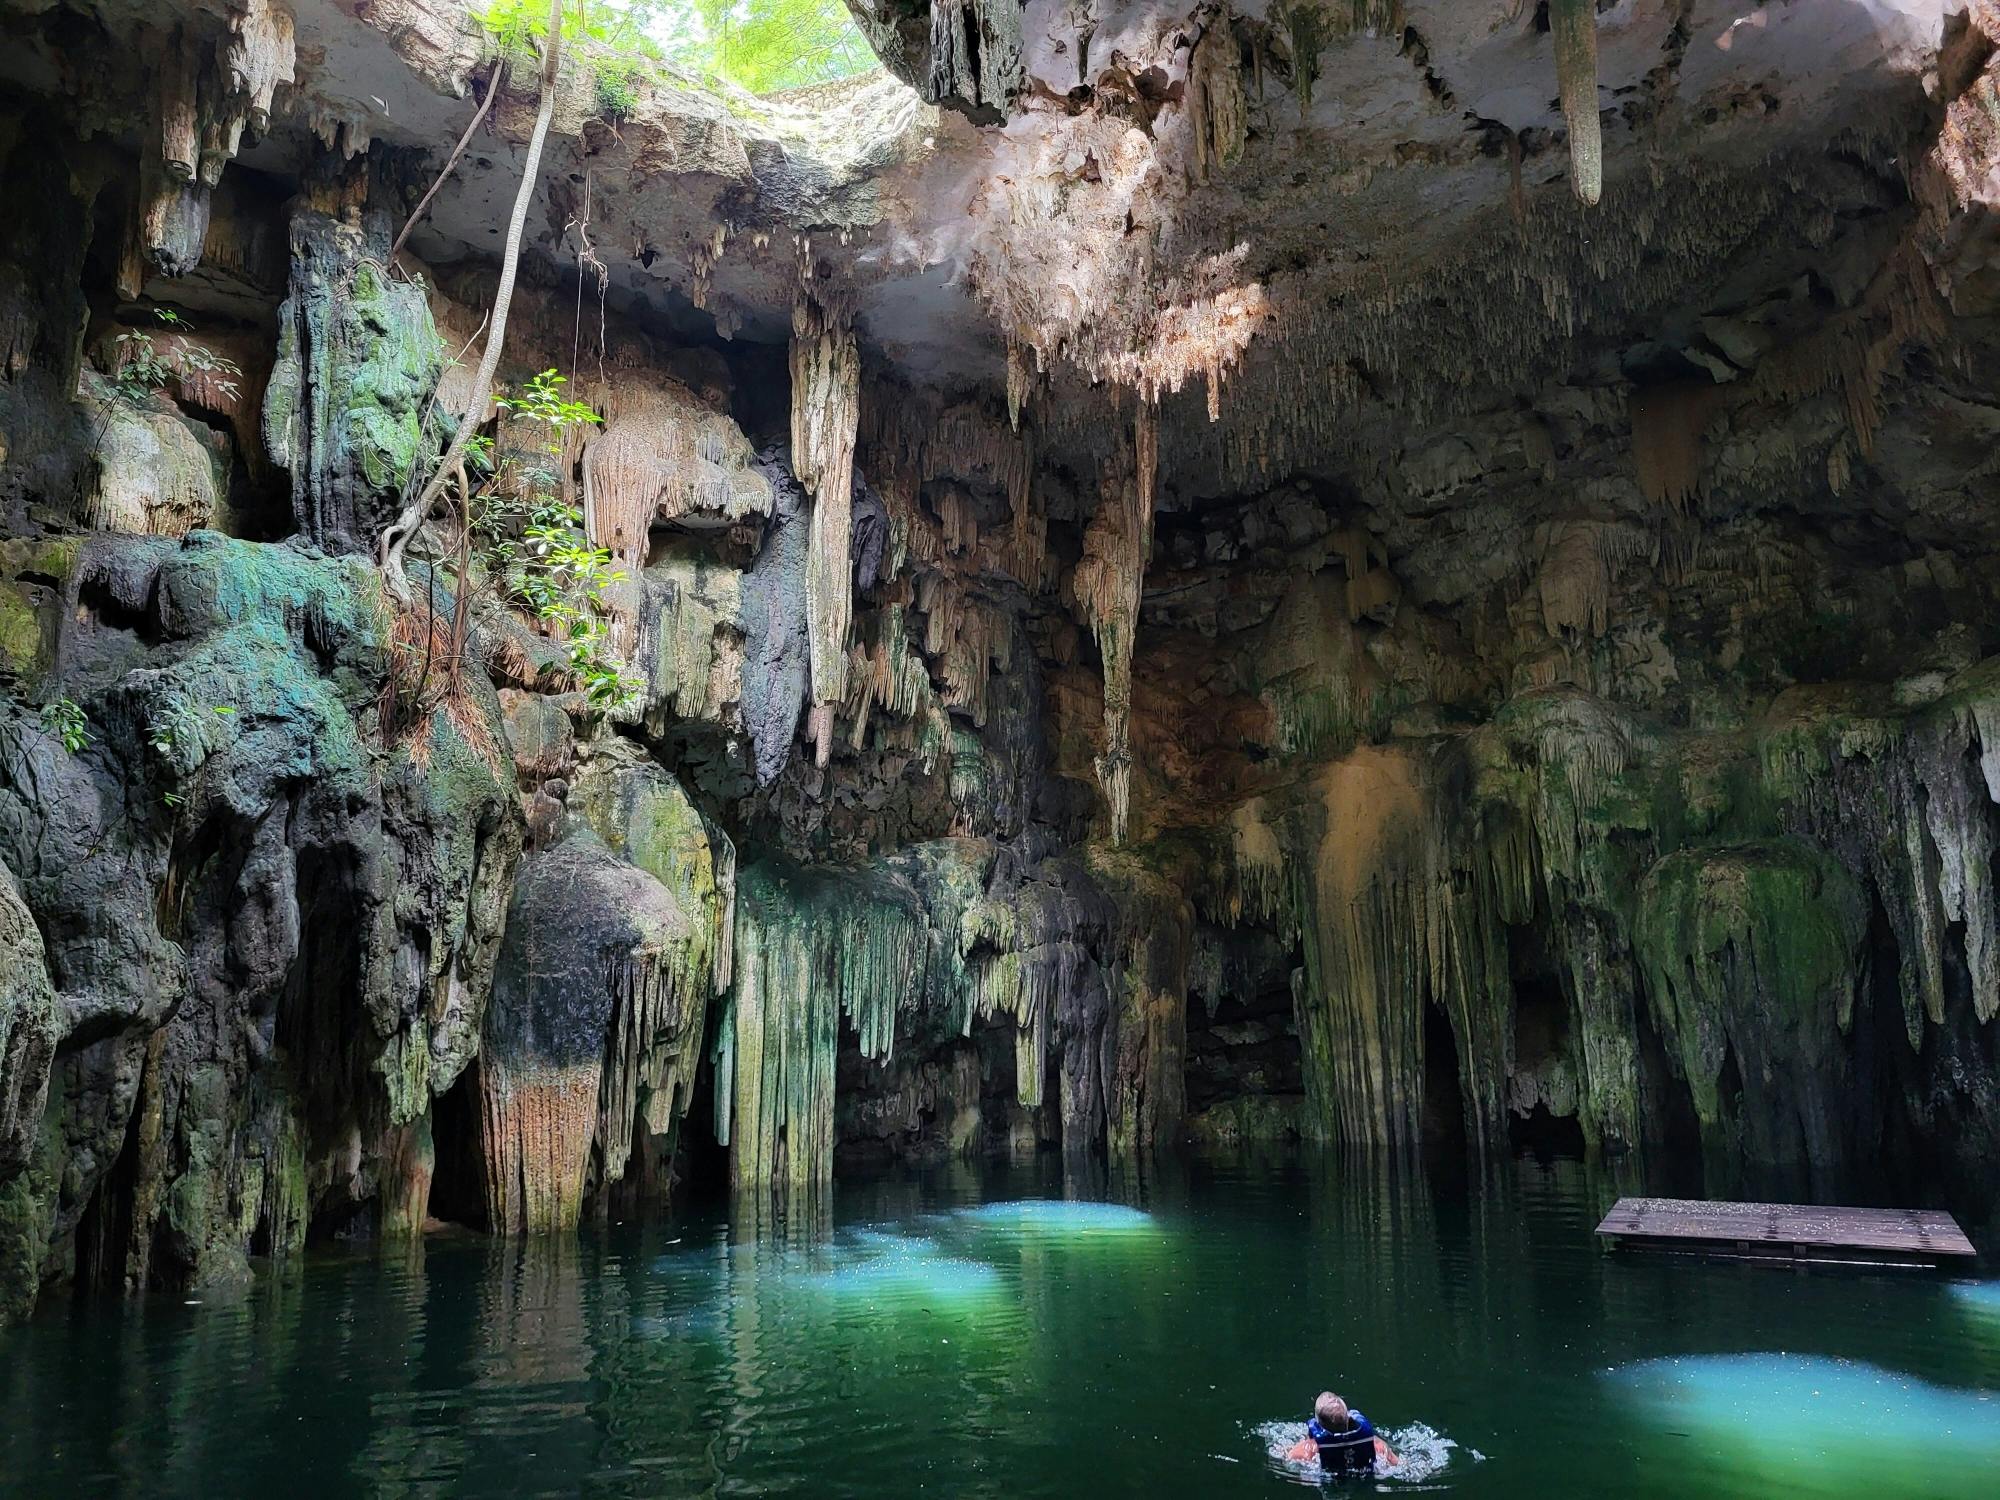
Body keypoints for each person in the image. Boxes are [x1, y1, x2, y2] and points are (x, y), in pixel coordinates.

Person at [1285, 1391, 1401, 1476]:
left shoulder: (1307, 1450)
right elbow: (1399, 1465)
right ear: (1349, 1418)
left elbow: (1289, 1460)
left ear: (1318, 1424)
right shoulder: (1377, 1445)